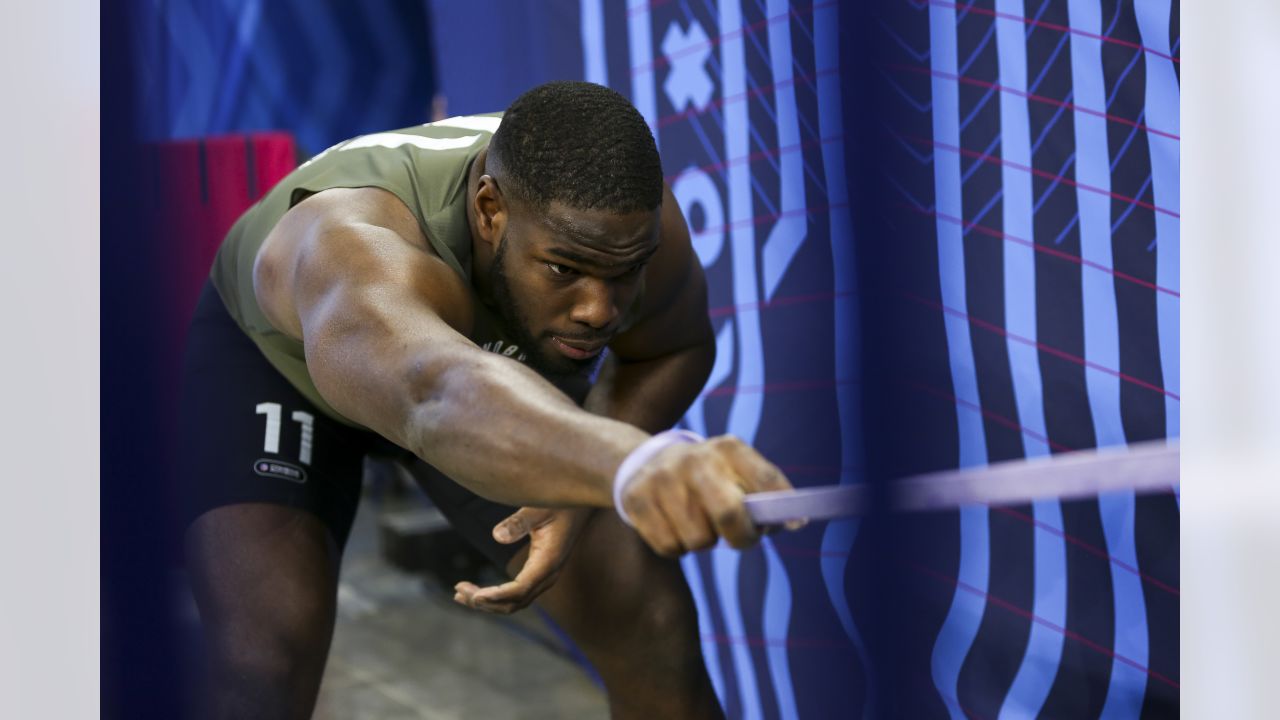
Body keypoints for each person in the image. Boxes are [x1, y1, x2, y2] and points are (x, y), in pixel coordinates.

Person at [179, 80, 796, 719]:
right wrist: (627, 462)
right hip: (286, 370)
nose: (598, 310)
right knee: (266, 657)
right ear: (488, 209)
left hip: (476, 384)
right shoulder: (352, 240)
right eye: (564, 269)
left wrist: (575, 486)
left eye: (623, 274)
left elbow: (670, 350)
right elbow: (430, 392)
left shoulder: (631, 225)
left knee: (650, 620)